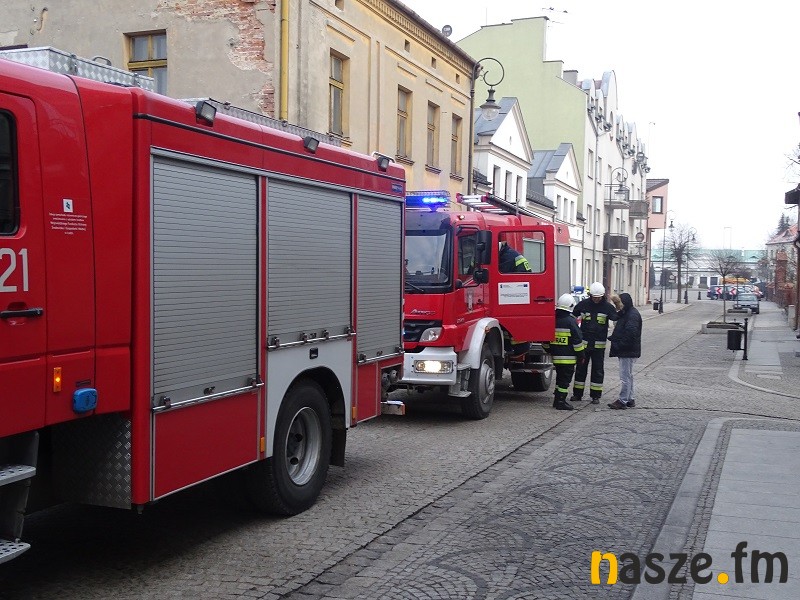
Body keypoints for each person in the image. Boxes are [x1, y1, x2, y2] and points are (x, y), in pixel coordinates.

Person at [569, 282, 618, 405]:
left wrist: (620, 307)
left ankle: (595, 396)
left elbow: (616, 319)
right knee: (580, 369)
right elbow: (572, 317)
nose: (596, 299)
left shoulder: (608, 307)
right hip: (584, 345)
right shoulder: (583, 305)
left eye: (598, 297)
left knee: (598, 371)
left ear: (602, 296)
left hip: (599, 346)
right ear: (590, 295)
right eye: (594, 297)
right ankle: (577, 394)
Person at [543, 293, 586, 411]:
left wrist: (548, 349)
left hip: (555, 357)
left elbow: (545, 338)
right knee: (564, 381)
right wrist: (581, 355)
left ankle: (557, 400)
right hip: (568, 359)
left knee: (560, 379)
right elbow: (577, 341)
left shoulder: (552, 320)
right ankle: (561, 402)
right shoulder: (571, 322)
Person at [607, 292, 642, 409]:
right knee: (628, 375)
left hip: (627, 350)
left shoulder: (631, 315)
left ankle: (623, 400)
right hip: (629, 349)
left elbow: (630, 333)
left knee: (625, 376)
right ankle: (630, 398)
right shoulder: (629, 313)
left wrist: (619, 344)